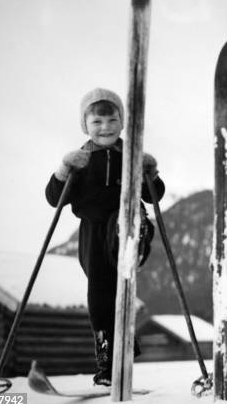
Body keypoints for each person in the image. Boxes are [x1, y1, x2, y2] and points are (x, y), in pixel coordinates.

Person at [45, 88, 164, 386]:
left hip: (125, 221)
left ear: (122, 123)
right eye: (97, 122)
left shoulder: (131, 156)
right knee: (102, 297)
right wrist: (63, 171)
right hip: (92, 235)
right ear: (85, 126)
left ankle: (134, 243)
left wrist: (150, 171)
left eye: (112, 120)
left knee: (125, 223)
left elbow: (155, 196)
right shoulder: (81, 160)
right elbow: (53, 198)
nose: (105, 128)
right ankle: (109, 361)